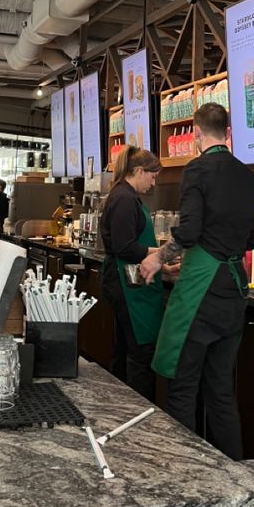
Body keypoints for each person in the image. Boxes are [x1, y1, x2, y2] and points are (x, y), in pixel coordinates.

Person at [140, 102, 254, 460]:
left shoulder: (198, 170)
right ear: (228, 133)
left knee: (181, 388)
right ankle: (234, 472)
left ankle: (186, 475)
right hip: (233, 290)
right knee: (221, 390)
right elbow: (253, 238)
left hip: (202, 294)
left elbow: (190, 230)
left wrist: (158, 258)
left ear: (195, 134)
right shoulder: (248, 177)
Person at [100, 146, 163, 401]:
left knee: (127, 347)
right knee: (140, 353)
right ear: (138, 171)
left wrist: (161, 262)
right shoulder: (125, 199)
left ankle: (122, 406)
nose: (154, 182)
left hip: (127, 279)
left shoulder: (124, 195)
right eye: (153, 175)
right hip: (124, 282)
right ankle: (139, 412)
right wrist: (160, 253)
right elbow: (124, 247)